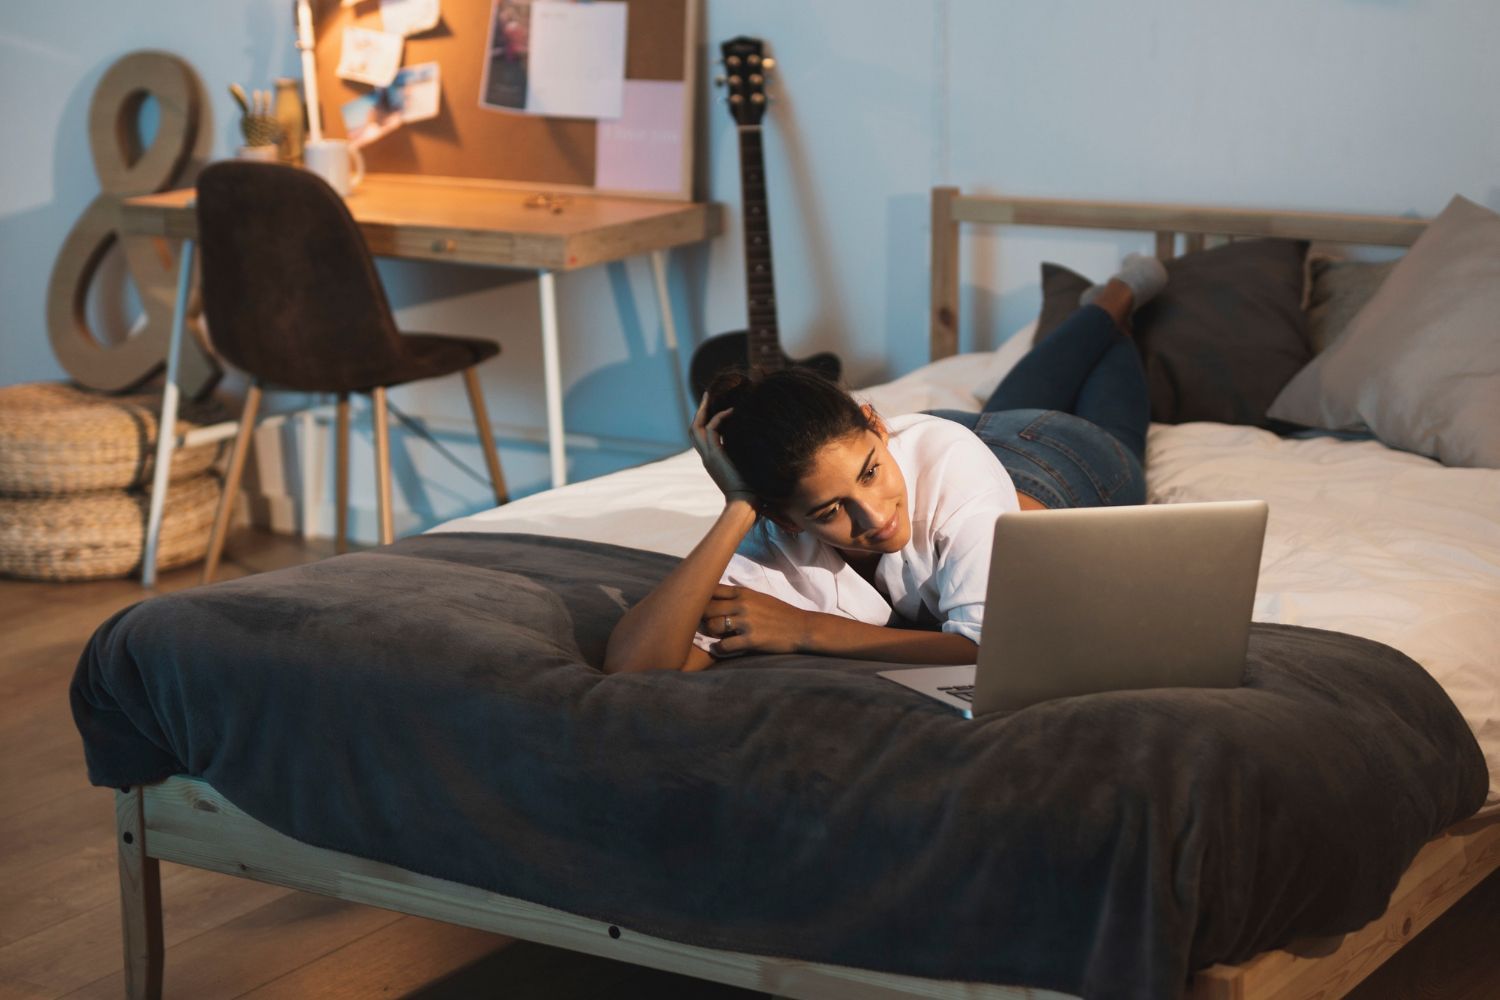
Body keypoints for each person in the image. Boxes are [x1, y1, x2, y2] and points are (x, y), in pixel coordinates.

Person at [603, 255, 1167, 674]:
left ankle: (1114, 302)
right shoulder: (775, 530)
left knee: (1108, 427)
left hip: (1057, 462)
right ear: (786, 518)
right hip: (957, 439)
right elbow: (637, 667)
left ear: (876, 423)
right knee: (1004, 402)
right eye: (830, 510)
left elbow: (991, 651)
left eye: (870, 473)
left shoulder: (946, 459)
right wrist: (737, 506)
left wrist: (805, 629)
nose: (873, 518)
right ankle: (1104, 312)